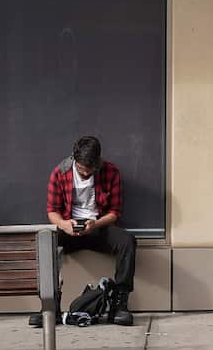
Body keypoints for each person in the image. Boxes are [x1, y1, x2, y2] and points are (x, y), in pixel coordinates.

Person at [30, 135, 136, 327]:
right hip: (69, 227)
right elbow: (52, 211)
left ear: (98, 162)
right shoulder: (60, 173)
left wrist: (95, 224)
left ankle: (119, 304)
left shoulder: (111, 172)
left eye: (90, 170)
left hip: (97, 227)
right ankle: (50, 306)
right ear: (74, 160)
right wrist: (64, 224)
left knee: (127, 241)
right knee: (47, 242)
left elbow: (114, 213)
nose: (86, 173)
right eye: (81, 169)